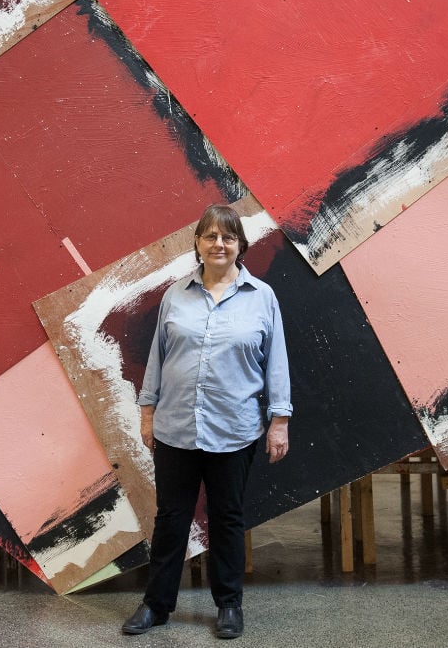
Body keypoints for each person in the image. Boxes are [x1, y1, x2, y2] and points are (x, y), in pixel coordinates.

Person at [122, 204, 292, 640]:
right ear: (197, 243)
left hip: (235, 429)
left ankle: (229, 606)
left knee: (227, 517)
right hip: (176, 426)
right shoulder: (175, 295)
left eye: (228, 237)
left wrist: (279, 421)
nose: (219, 244)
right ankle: (156, 606)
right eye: (210, 236)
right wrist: (147, 413)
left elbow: (276, 364)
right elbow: (158, 359)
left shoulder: (263, 297)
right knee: (171, 518)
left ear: (240, 245)